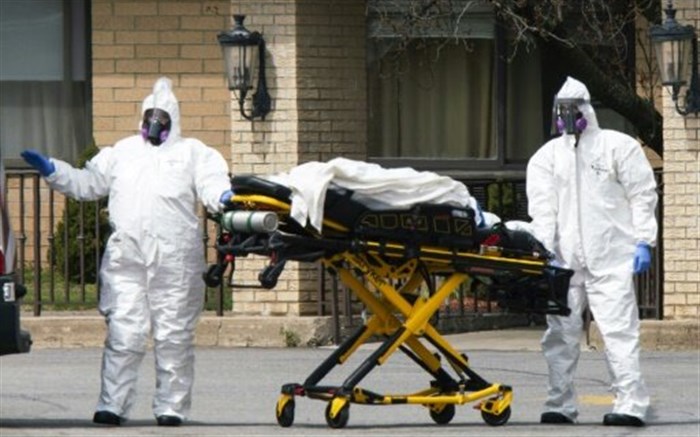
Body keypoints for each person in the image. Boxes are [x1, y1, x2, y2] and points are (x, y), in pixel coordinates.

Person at [21, 77, 234, 427]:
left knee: (173, 335)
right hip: (127, 256)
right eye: (151, 117)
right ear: (142, 117)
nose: (156, 125)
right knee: (124, 332)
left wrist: (223, 197)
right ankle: (112, 404)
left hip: (175, 258)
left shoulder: (193, 153)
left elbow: (213, 182)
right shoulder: (121, 152)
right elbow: (89, 183)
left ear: (173, 120)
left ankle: (171, 406)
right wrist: (55, 170)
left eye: (162, 118)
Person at [526, 76, 657, 427]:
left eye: (573, 109)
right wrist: (544, 253)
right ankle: (560, 404)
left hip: (611, 256)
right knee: (560, 334)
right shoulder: (546, 158)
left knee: (618, 333)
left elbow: (642, 195)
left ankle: (630, 403)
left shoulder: (618, 147)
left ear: (587, 109)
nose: (567, 117)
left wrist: (643, 240)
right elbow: (543, 211)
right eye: (562, 110)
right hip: (564, 260)